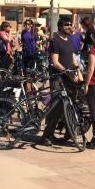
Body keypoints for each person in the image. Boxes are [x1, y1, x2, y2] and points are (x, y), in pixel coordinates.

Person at [41, 17, 83, 145]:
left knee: (71, 105)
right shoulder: (55, 41)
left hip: (70, 77)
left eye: (70, 24)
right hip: (58, 78)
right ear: (60, 27)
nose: (69, 26)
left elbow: (73, 57)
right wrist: (67, 73)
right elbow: (55, 62)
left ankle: (69, 133)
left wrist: (78, 71)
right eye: (66, 25)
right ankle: (47, 135)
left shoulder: (69, 39)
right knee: (57, 107)